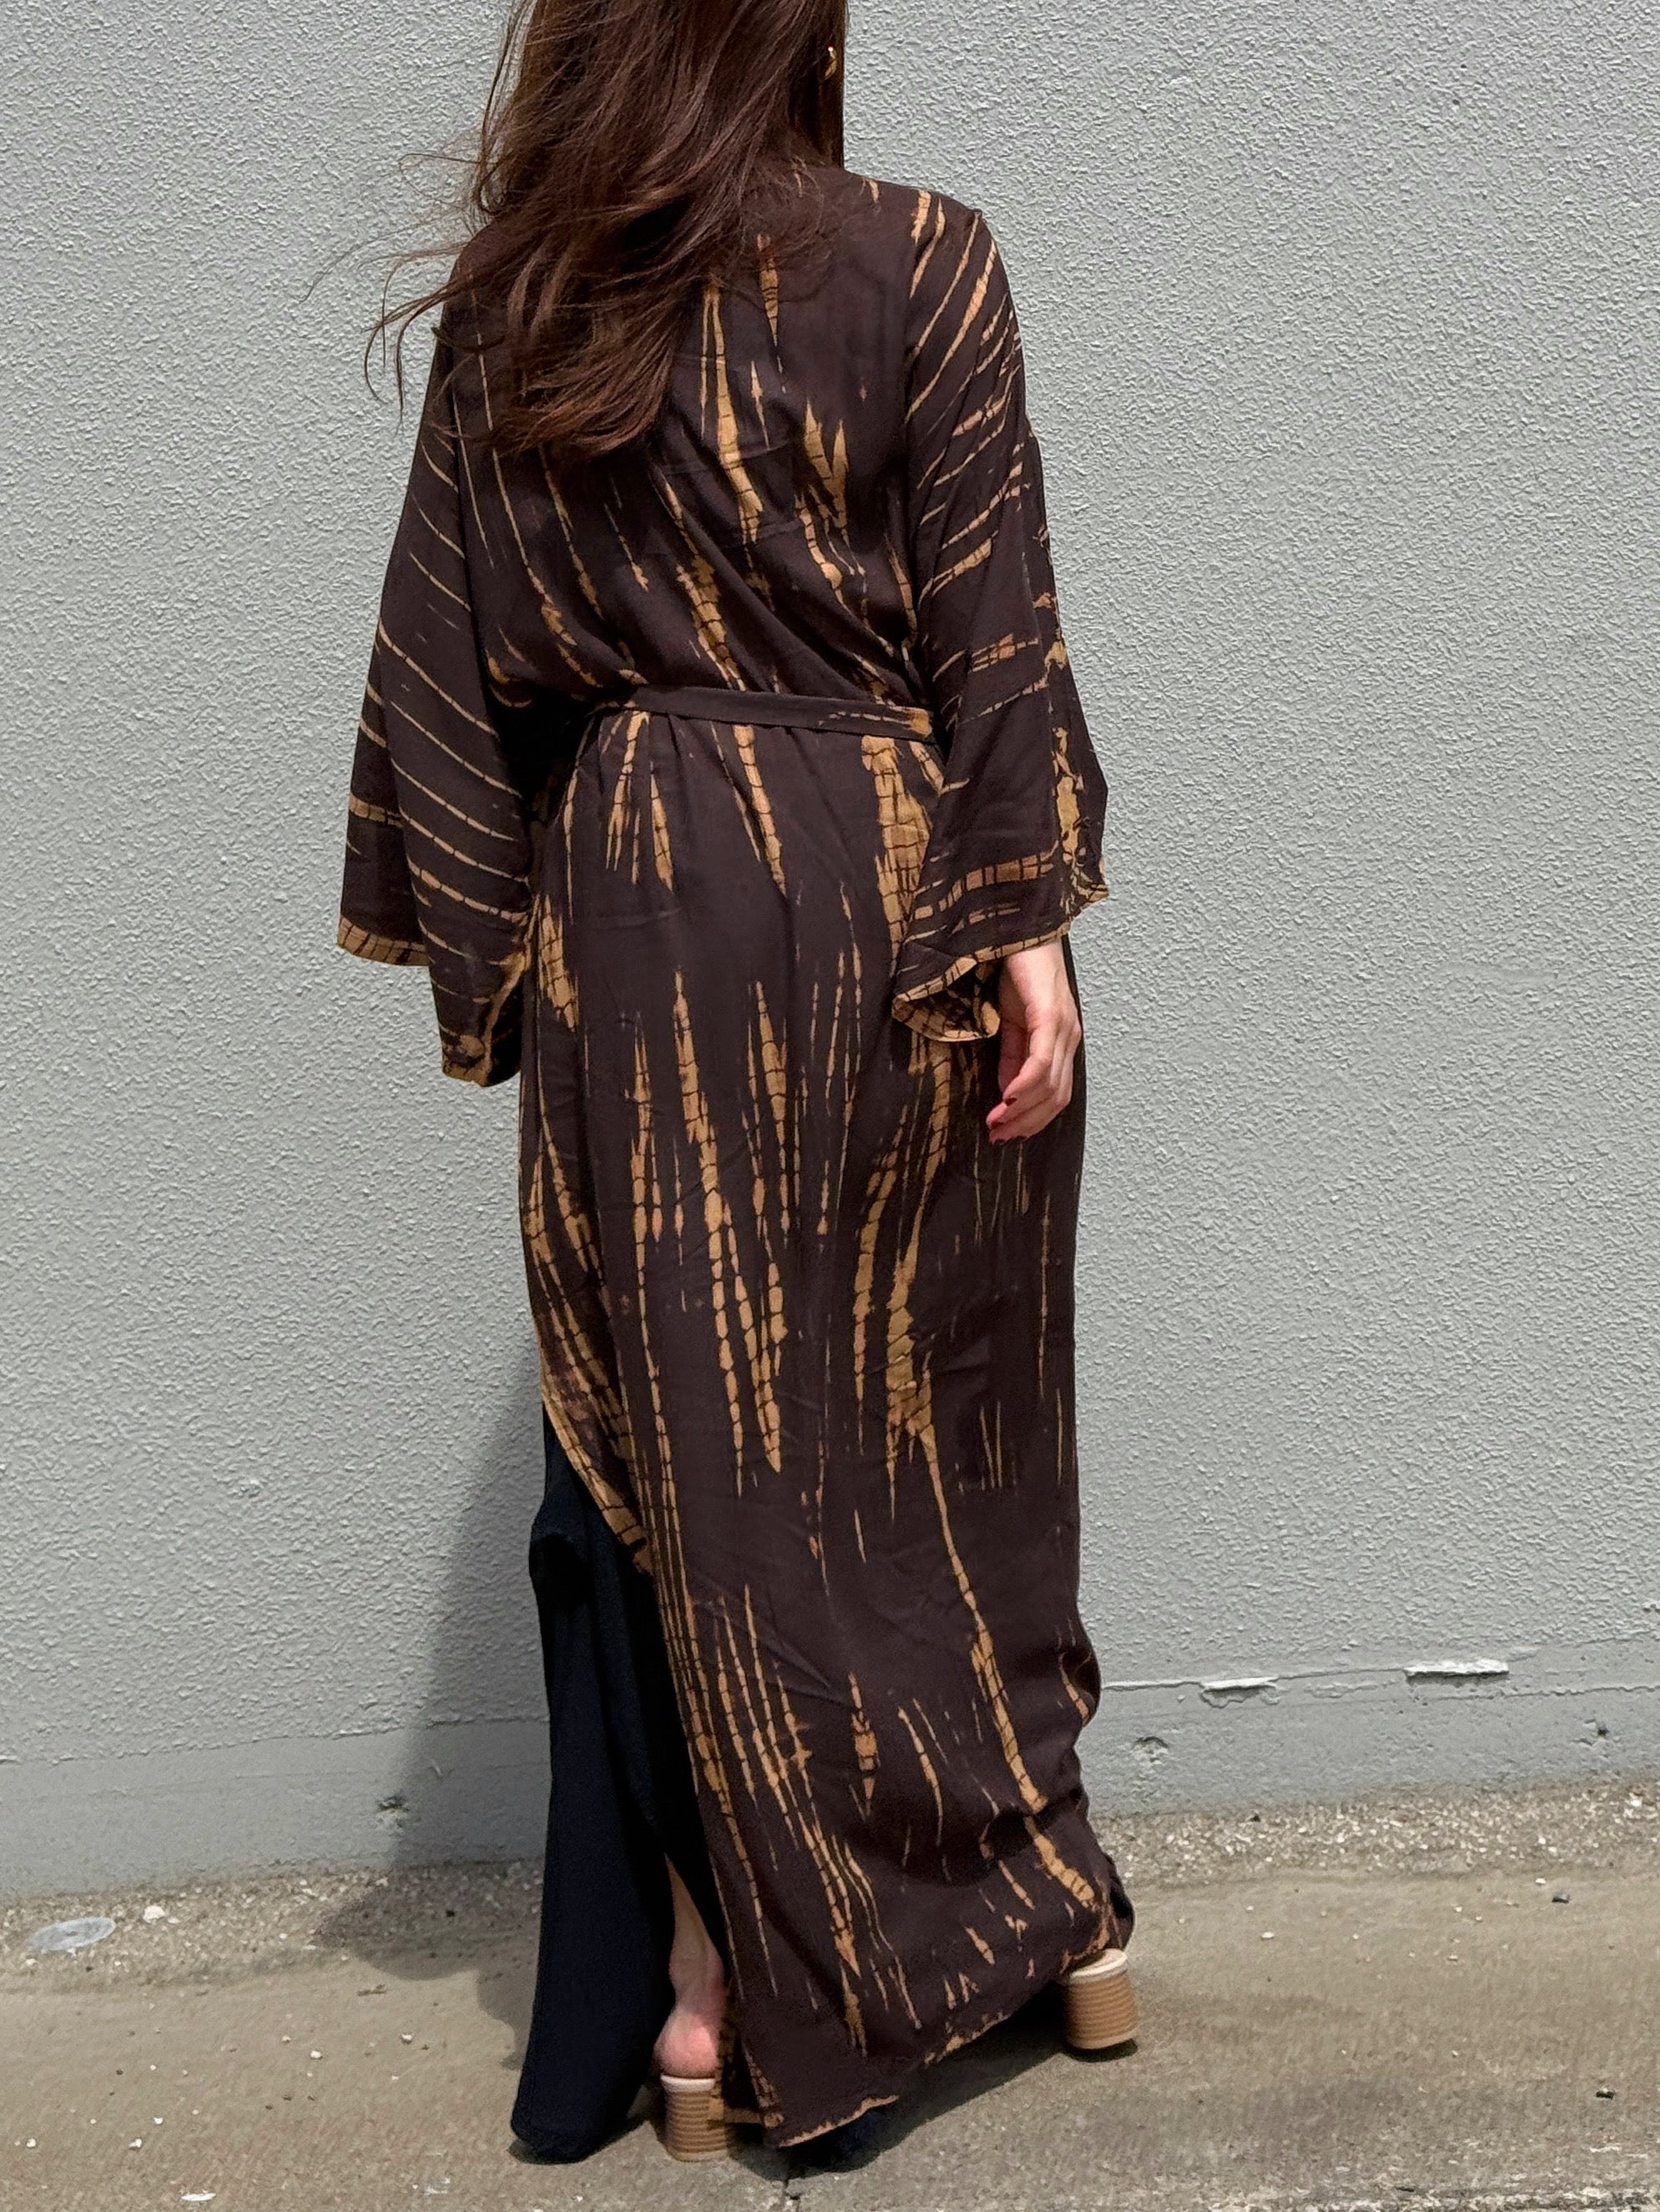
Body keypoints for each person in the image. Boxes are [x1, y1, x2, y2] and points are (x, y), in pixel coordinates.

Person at [336, 0, 1138, 2169]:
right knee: (926, 1443)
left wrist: (508, 970)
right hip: (902, 909)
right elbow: (995, 634)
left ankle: (702, 1988)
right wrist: (1025, 925)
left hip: (649, 921)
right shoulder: (921, 258)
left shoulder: (529, 310)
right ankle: (1022, 1910)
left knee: (683, 1462)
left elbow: (448, 662)